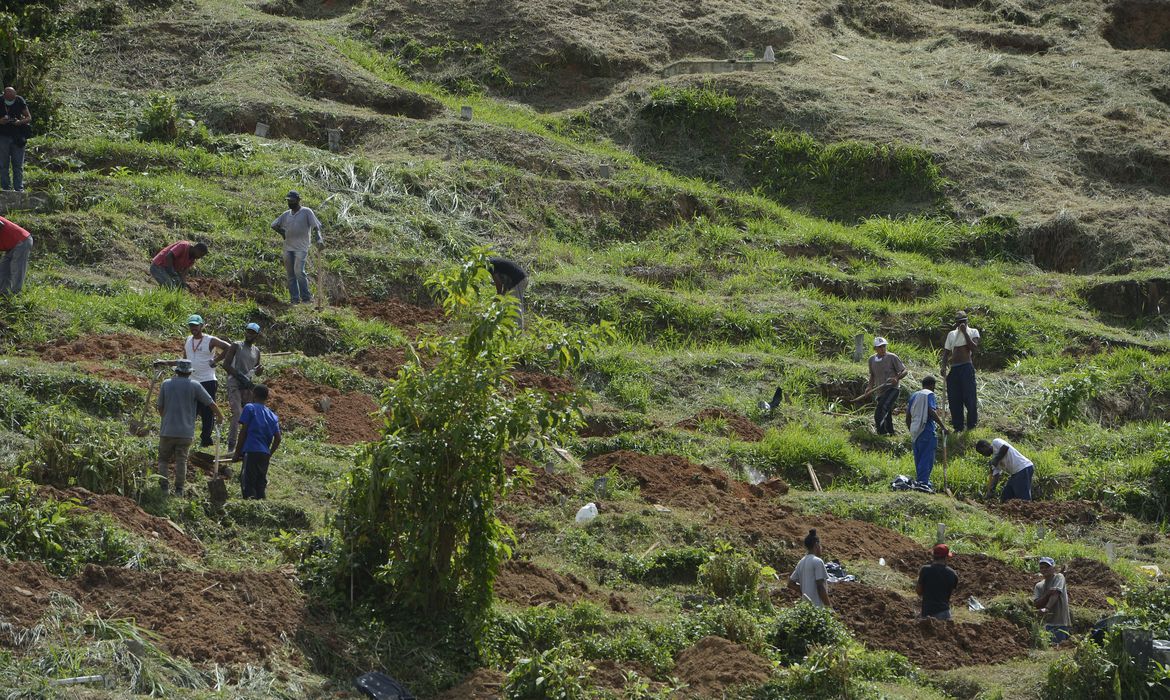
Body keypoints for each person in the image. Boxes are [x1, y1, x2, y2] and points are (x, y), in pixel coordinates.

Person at [156, 359, 223, 496]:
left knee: (163, 459)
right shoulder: (195, 385)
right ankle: (179, 490)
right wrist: (220, 416)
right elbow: (210, 403)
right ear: (190, 372)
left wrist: (167, 418)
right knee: (181, 460)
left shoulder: (166, 384)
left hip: (168, 430)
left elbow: (160, 407)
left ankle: (164, 488)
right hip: (186, 433)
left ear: (176, 371)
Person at [183, 314, 231, 448]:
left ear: (202, 326)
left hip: (207, 380)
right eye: (191, 325)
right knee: (191, 409)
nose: (193, 328)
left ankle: (205, 439)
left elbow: (229, 347)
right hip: (191, 380)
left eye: (196, 325)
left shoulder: (210, 340)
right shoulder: (188, 340)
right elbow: (185, 357)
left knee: (207, 410)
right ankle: (188, 436)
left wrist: (216, 360)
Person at [271, 190, 324, 304]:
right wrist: (282, 233)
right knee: (291, 275)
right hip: (288, 247)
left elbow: (316, 226)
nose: (290, 203)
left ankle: (306, 298)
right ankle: (294, 299)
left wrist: (319, 238)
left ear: (298, 200)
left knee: (299, 271)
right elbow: (274, 225)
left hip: (301, 247)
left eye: (292, 201)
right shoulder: (286, 214)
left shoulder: (306, 212)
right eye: (288, 201)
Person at [233, 384, 281, 499]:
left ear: (253, 395)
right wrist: (269, 453)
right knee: (260, 484)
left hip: (251, 450)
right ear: (266, 398)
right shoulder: (273, 415)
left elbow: (243, 432)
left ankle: (250, 506)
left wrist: (237, 452)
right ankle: (260, 505)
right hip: (264, 454)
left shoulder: (250, 408)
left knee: (248, 483)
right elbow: (278, 438)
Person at [221, 322, 264, 452]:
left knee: (250, 416)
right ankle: (231, 446)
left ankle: (245, 446)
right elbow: (226, 365)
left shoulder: (256, 351)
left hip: (247, 386)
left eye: (252, 333)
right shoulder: (236, 346)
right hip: (234, 382)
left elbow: (256, 370)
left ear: (257, 335)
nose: (249, 334)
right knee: (238, 413)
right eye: (248, 331)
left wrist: (259, 370)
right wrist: (240, 376)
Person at [941, 311, 981, 432]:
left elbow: (974, 348)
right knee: (954, 399)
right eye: (959, 322)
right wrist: (943, 366)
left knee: (969, 397)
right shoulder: (951, 334)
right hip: (954, 369)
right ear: (956, 323)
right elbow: (946, 353)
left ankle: (971, 425)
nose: (961, 324)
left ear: (967, 321)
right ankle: (958, 427)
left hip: (966, 368)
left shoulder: (973, 332)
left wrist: (965, 332)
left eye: (963, 321)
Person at [906, 376, 949, 487]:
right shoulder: (929, 394)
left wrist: (911, 429)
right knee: (927, 458)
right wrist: (943, 426)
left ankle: (921, 481)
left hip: (915, 431)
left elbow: (908, 416)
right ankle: (923, 483)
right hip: (926, 430)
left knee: (919, 458)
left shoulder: (914, 395)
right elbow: (931, 411)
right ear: (932, 385)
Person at [868, 336, 908, 436]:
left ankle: (882, 433)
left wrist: (896, 378)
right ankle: (891, 432)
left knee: (881, 409)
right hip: (880, 391)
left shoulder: (892, 357)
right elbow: (872, 375)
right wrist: (869, 387)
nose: (883, 349)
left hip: (892, 389)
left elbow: (904, 371)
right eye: (880, 347)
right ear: (875, 349)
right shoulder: (871, 360)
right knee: (887, 412)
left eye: (884, 346)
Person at [977, 438, 1034, 502]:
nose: (983, 455)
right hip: (1015, 474)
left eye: (982, 452)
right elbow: (996, 476)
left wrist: (996, 459)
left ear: (985, 445)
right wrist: (991, 491)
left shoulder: (996, 442)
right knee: (1006, 496)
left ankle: (1028, 509)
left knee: (1023, 496)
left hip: (1023, 468)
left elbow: (1005, 447)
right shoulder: (994, 461)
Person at [788, 529, 831, 608]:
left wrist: (804, 591)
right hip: (818, 607)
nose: (821, 548)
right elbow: (820, 586)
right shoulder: (818, 562)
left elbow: (790, 583)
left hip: (806, 607)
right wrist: (828, 606)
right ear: (816, 545)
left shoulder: (801, 562)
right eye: (820, 546)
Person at [0, 87, 32, 193]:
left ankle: (19, 188)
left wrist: (19, 122)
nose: (10, 99)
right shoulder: (0, 101)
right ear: (4, 95)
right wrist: (1, 121)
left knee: (18, 165)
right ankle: (6, 188)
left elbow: (28, 117)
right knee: (3, 164)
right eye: (8, 97)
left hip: (17, 137)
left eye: (12, 97)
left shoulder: (19, 100)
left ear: (15, 95)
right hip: (3, 136)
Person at [1033, 557, 1071, 643]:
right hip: (1046, 624)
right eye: (1042, 567)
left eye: (1047, 567)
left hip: (1060, 623)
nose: (1044, 569)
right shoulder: (1039, 586)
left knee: (1059, 649)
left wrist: (1047, 608)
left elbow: (1055, 594)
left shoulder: (1059, 577)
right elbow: (1037, 604)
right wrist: (1047, 593)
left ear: (1053, 568)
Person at [916, 544, 959, 620]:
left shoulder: (925, 570)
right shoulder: (952, 574)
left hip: (927, 612)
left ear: (933, 556)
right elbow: (949, 594)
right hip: (944, 613)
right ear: (946, 557)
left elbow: (919, 591)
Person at [488, 257, 528, 327]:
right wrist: (503, 293)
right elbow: (506, 277)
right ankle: (512, 329)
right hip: (518, 280)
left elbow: (498, 282)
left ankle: (519, 333)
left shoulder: (489, 265)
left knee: (516, 307)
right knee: (509, 305)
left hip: (518, 280)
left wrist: (498, 295)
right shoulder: (493, 262)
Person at [0, 214, 33, 296]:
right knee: (3, 270)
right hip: (11, 245)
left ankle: (16, 295)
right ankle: (4, 295)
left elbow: (1, 224)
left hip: (21, 240)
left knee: (17, 269)